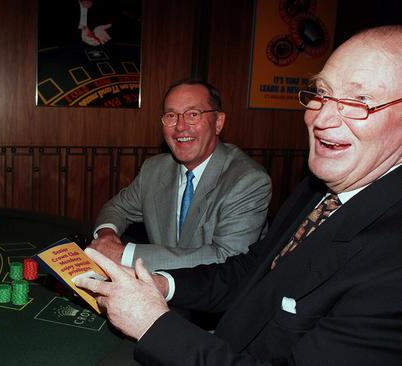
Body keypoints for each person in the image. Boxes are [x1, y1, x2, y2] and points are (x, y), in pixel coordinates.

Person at [76, 25, 402, 365]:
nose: (321, 118)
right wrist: (163, 285)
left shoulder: (393, 260)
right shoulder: (315, 190)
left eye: (359, 100)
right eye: (322, 93)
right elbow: (252, 271)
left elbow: (224, 256)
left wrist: (153, 323)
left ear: (218, 123)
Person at [90, 80, 272, 271]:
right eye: (171, 116)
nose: (180, 126)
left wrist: (125, 254)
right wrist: (106, 235)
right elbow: (117, 208)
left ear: (218, 123)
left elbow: (227, 257)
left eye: (193, 114)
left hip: (221, 298)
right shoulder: (154, 169)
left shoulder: (248, 180)